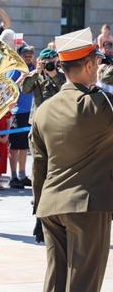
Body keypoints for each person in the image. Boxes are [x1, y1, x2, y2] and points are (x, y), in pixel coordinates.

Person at [30, 27, 113, 292]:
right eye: (97, 63)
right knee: (84, 283)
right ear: (89, 65)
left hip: (51, 205)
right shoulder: (101, 104)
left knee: (56, 282)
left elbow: (39, 166)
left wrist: (39, 208)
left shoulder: (43, 110)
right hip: (88, 205)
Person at [6, 45, 34, 189]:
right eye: (25, 54)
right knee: (14, 147)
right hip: (17, 112)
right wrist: (22, 77)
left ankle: (22, 175)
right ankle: (13, 176)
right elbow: (9, 88)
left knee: (23, 146)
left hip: (29, 112)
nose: (28, 57)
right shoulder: (16, 69)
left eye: (30, 54)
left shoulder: (33, 68)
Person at [21, 48, 66, 117]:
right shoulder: (35, 74)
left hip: (57, 115)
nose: (50, 65)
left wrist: (55, 77)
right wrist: (36, 73)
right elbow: (25, 90)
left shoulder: (62, 74)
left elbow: (67, 92)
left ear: (57, 61)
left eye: (53, 62)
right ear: (41, 62)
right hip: (39, 116)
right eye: (47, 62)